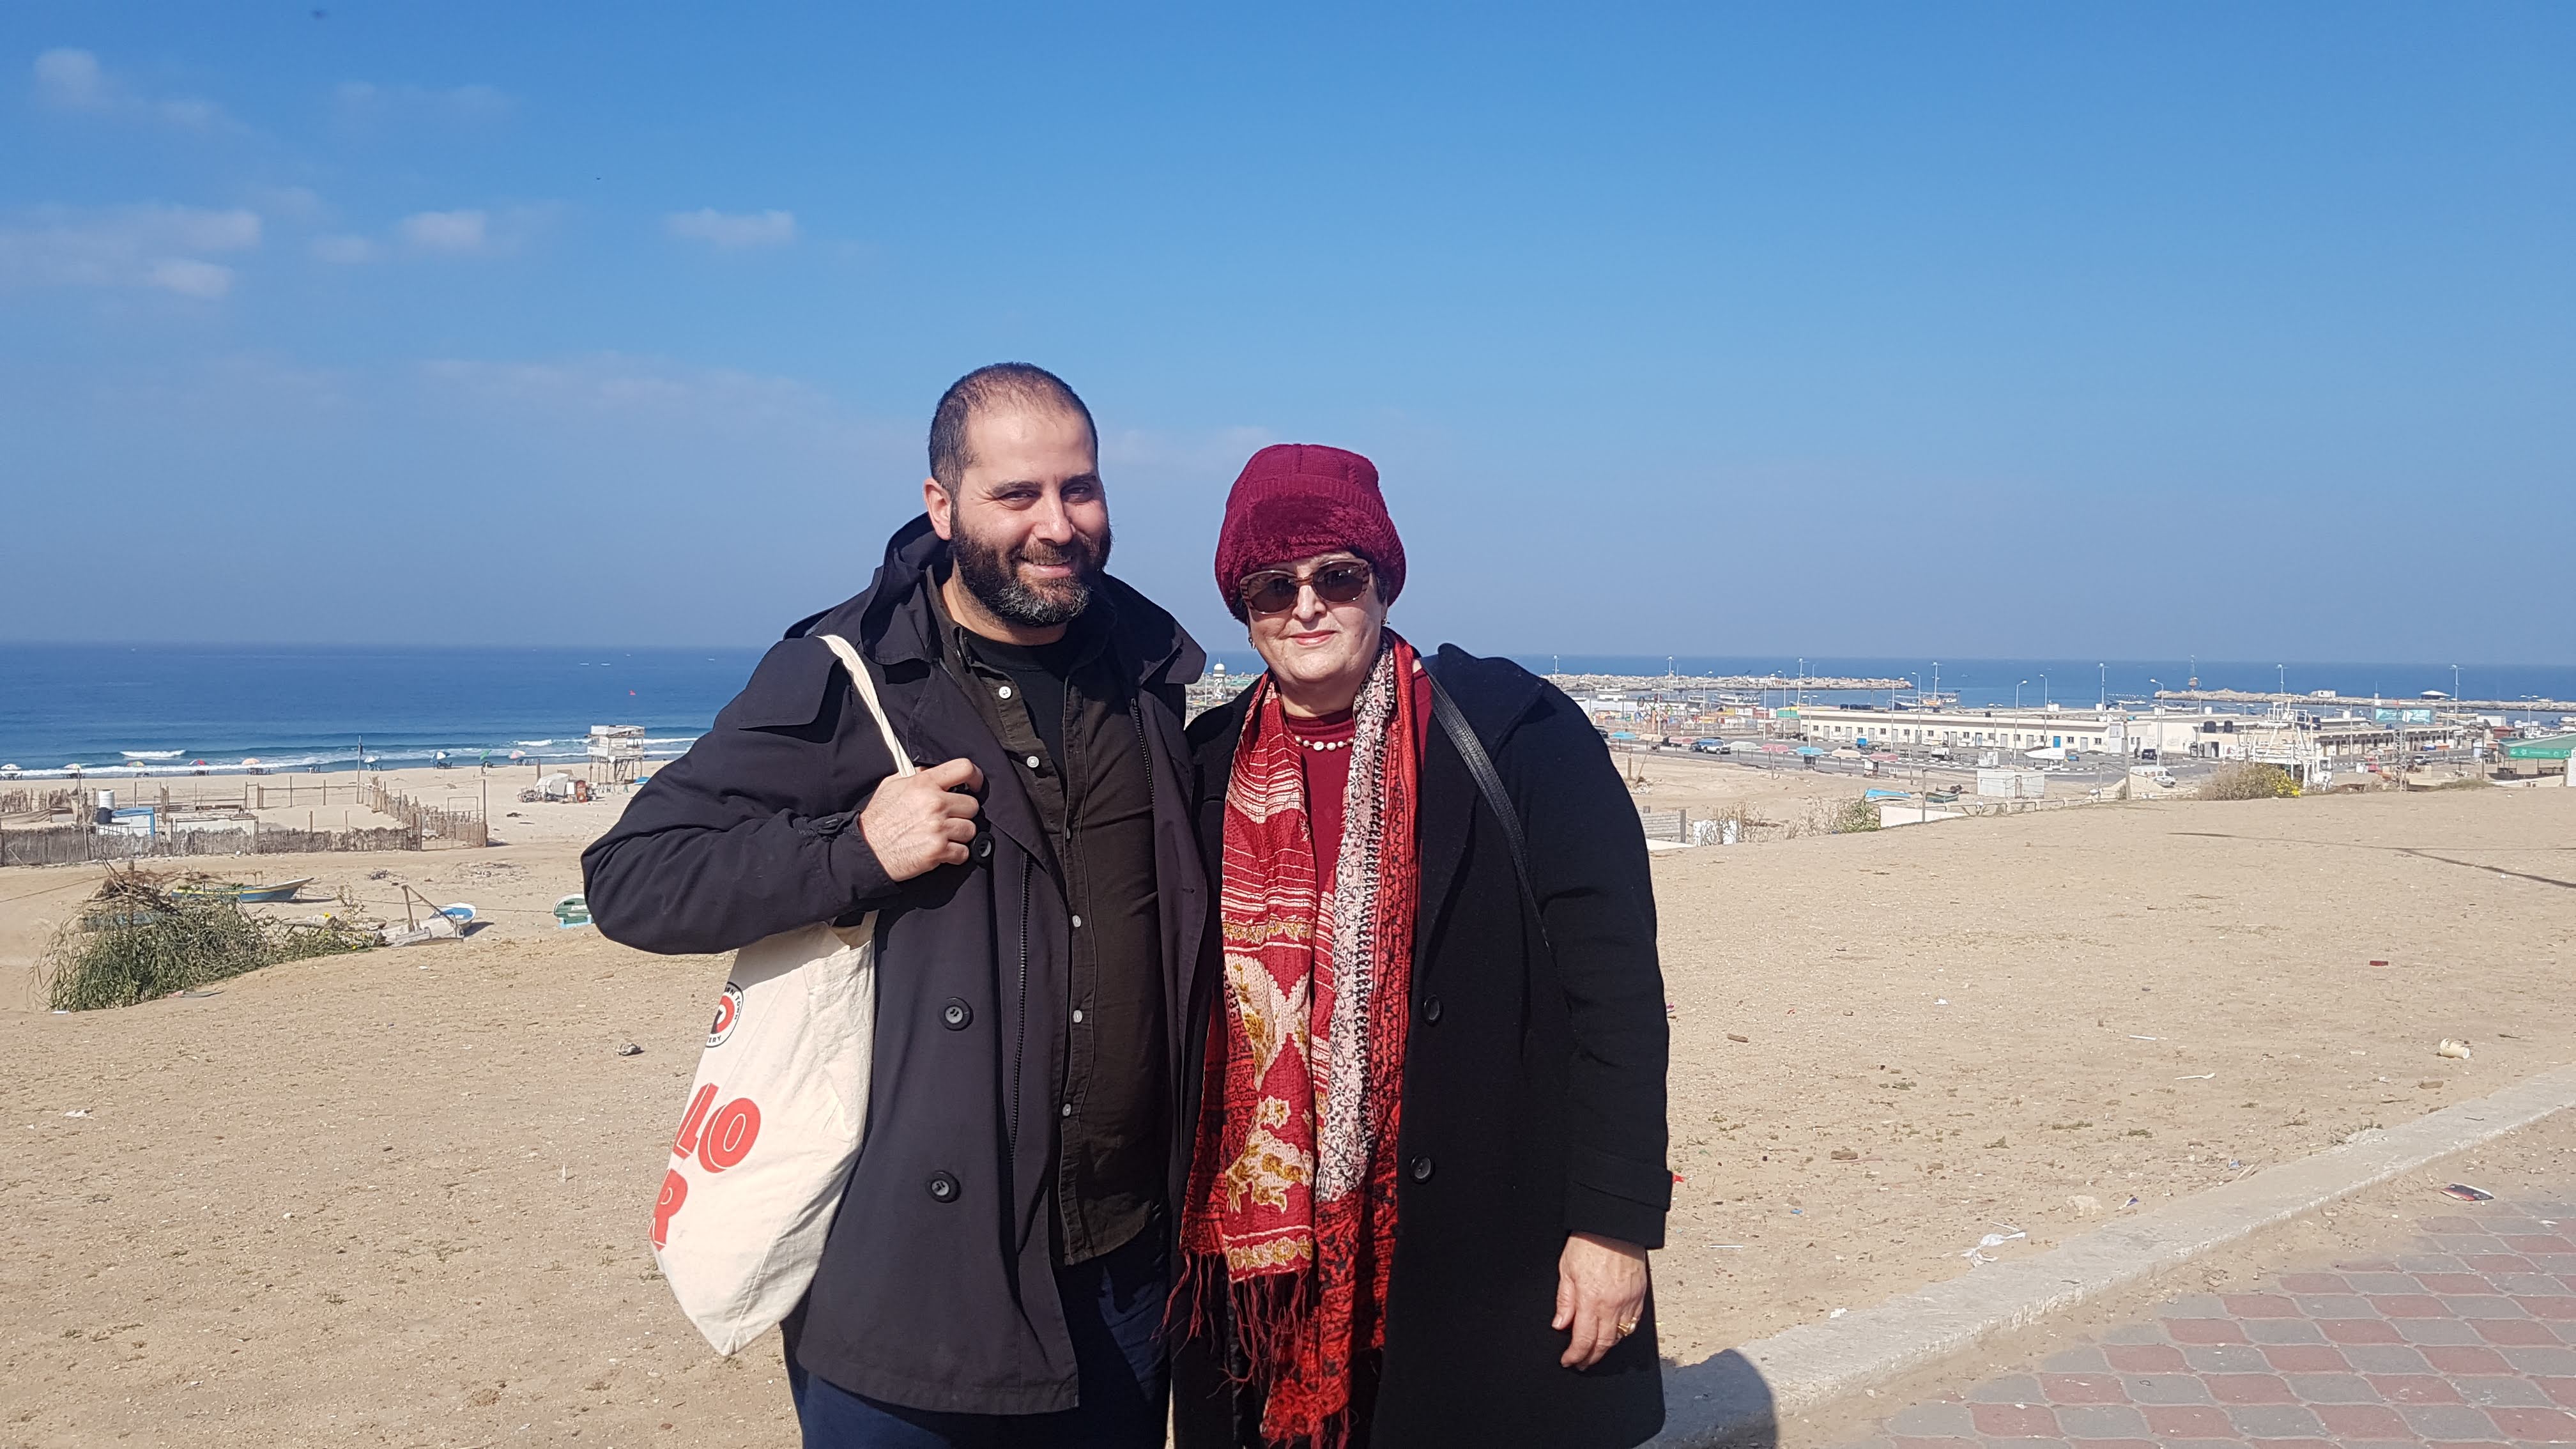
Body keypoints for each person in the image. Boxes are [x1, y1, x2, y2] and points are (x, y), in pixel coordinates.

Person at [582, 363, 1208, 1448]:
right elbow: (631, 876)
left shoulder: (1146, 674)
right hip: (911, 1295)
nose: (1057, 525)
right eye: (1016, 495)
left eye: (1080, 489)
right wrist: (853, 850)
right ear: (942, 506)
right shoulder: (850, 671)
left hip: (1124, 1273)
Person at [1172, 445, 1670, 1449]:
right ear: (1244, 607)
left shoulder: (1517, 733)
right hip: (1265, 1282)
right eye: (1274, 587)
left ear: (1382, 580)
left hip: (1486, 1255)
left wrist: (1614, 1229)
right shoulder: (1203, 769)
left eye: (1337, 576)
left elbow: (1615, 995)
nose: (1306, 606)